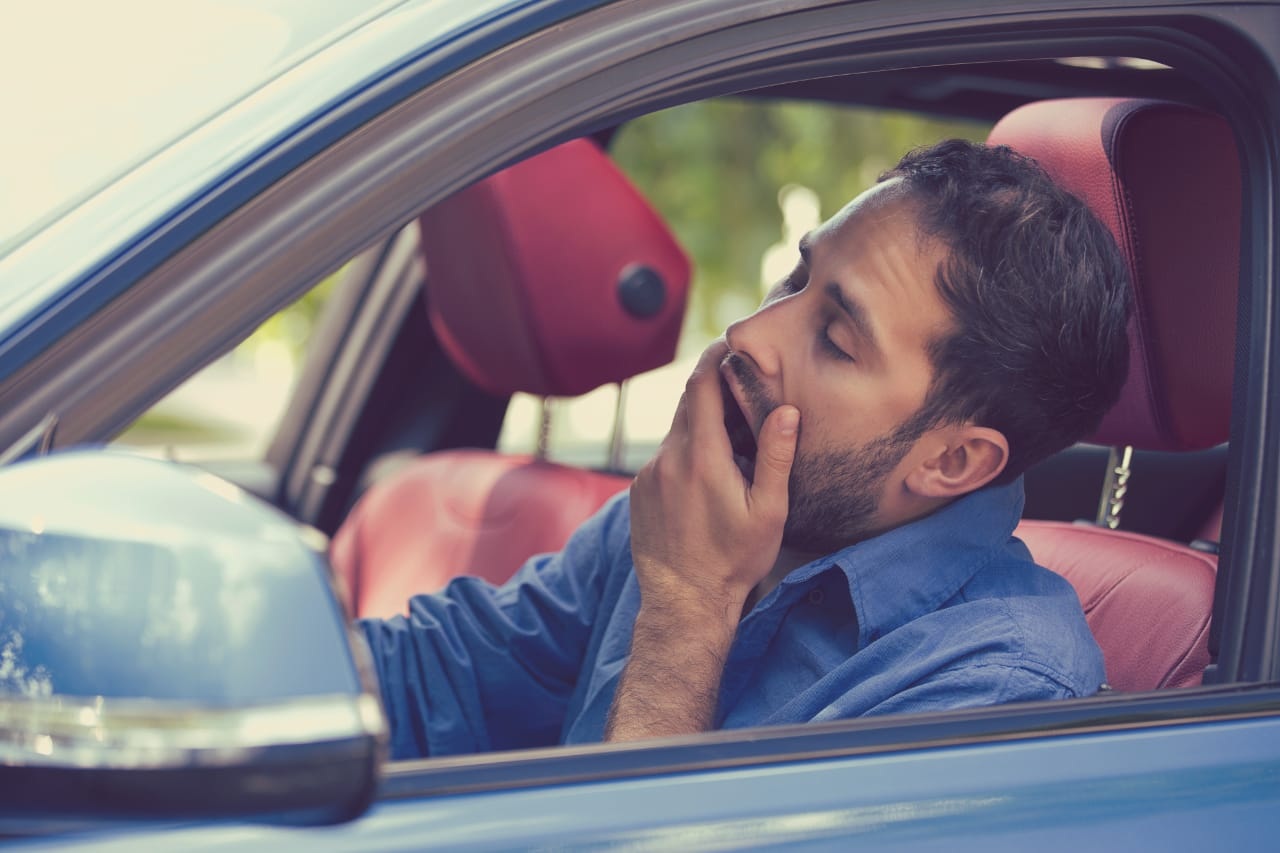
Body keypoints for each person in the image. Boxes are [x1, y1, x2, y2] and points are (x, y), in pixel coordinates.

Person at [360, 139, 1131, 758]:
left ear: (951, 461)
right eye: (796, 275)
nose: (749, 335)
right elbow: (441, 681)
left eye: (834, 338)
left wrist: (689, 609)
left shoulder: (999, 692)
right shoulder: (697, 508)